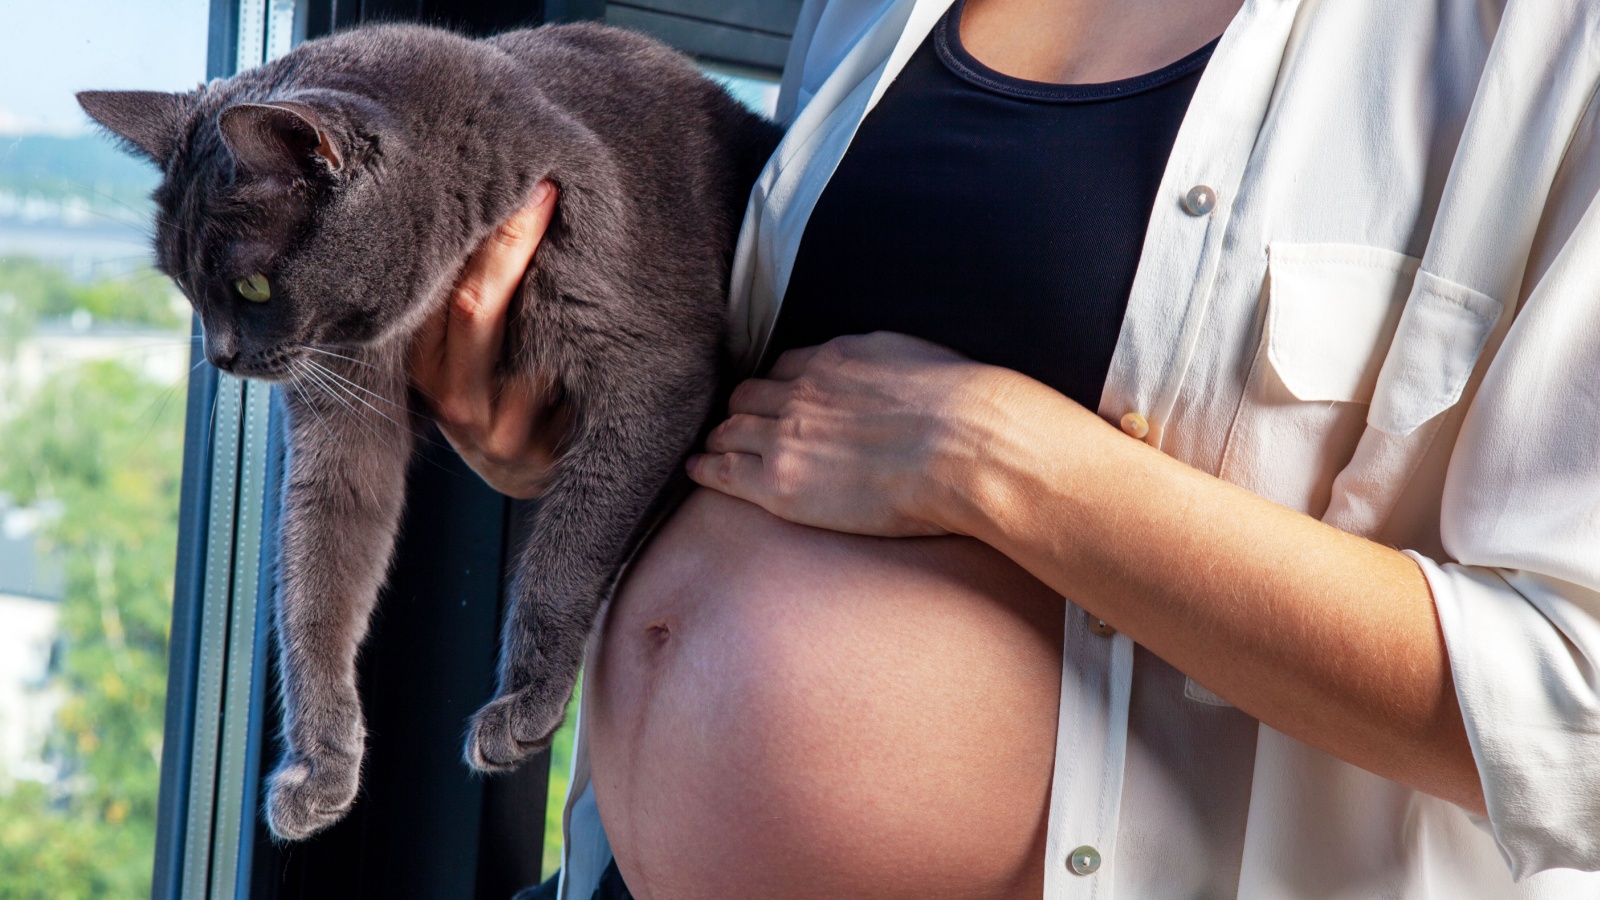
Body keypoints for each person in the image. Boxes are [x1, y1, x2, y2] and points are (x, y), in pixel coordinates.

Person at [409, 0, 1600, 897]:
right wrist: (570, 454)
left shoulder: (1542, 46)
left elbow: (1575, 719)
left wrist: (1002, 460)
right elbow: (794, 434)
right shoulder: (868, 10)